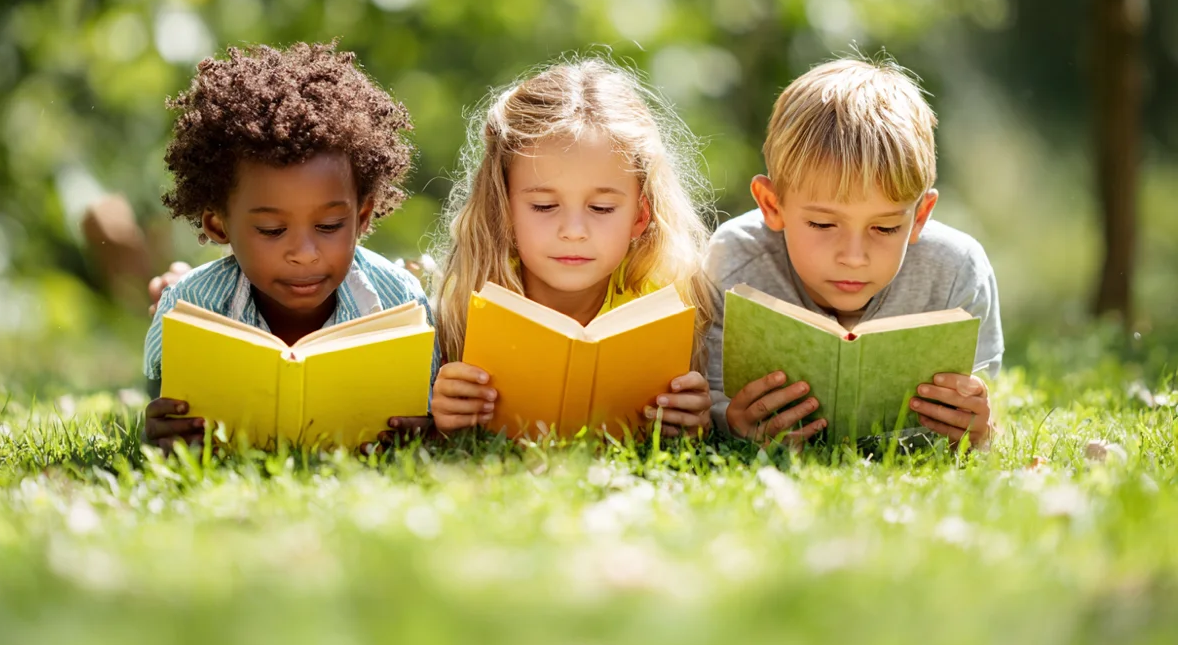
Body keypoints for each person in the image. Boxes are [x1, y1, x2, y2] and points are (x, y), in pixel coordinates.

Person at [142, 41, 438, 452]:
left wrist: (426, 427)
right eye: (271, 229)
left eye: (330, 225)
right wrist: (161, 426)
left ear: (363, 218)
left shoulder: (398, 304)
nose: (304, 252)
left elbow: (430, 408)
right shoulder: (191, 307)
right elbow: (161, 395)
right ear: (218, 224)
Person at [706, 56, 1002, 448]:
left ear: (919, 216)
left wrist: (976, 426)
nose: (854, 256)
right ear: (772, 205)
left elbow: (979, 403)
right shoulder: (733, 262)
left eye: (885, 227)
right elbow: (707, 395)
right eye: (823, 225)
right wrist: (728, 419)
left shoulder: (955, 270)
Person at [429, 57, 715, 437]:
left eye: (601, 208)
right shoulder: (469, 301)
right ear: (503, 209)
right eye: (544, 206)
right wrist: (446, 413)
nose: (574, 231)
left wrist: (691, 418)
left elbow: (690, 426)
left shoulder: (663, 305)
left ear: (639, 216)